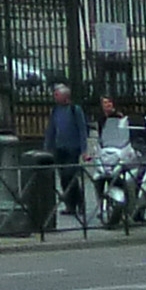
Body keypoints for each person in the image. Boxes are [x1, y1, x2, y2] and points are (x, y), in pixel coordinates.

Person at [42, 87, 91, 230]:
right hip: (59, 149)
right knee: (63, 177)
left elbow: (82, 130)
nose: (54, 97)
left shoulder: (75, 110)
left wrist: (84, 150)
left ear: (65, 97)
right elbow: (51, 130)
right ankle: (70, 204)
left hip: (72, 148)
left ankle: (80, 202)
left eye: (56, 95)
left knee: (70, 175)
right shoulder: (55, 110)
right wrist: (47, 148)